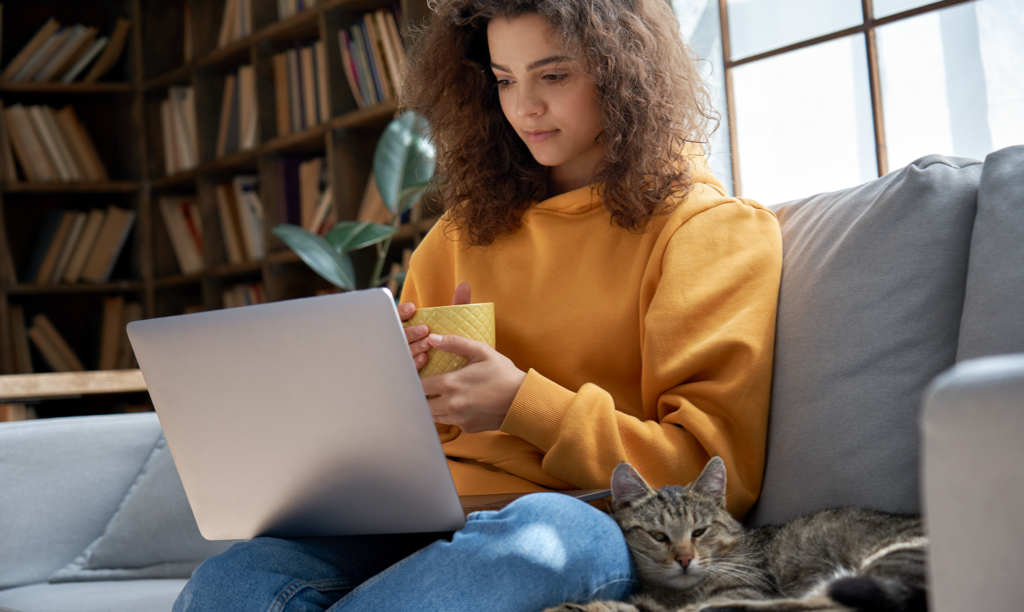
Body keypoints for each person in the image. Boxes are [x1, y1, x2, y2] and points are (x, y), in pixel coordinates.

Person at [174, 0, 782, 610]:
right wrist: (398, 389)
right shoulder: (461, 233)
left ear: (624, 73)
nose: (524, 107)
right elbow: (426, 436)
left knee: (543, 540)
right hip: (420, 517)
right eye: (503, 80)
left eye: (554, 75)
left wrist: (521, 402)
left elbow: (710, 470)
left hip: (589, 517)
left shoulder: (708, 231)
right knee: (230, 581)